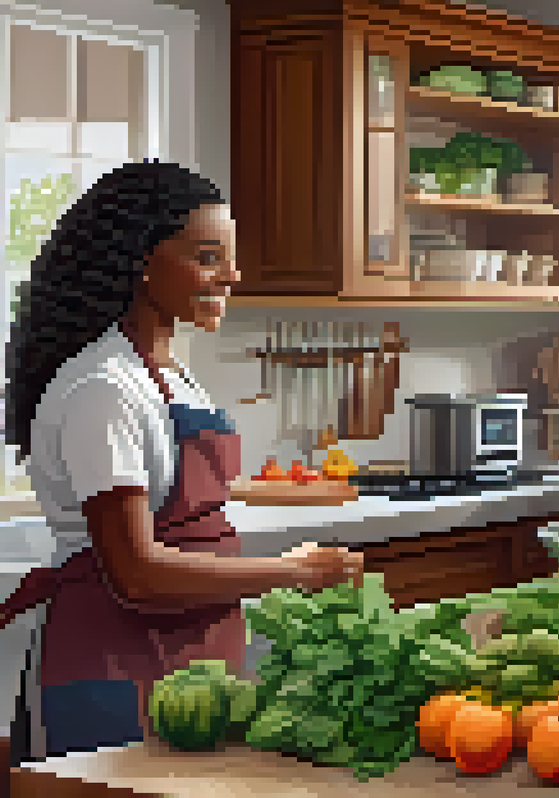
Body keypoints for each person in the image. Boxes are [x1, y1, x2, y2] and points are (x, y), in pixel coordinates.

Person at [0, 161, 363, 761]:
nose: (232, 275)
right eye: (208, 256)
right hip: (114, 666)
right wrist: (291, 571)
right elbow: (136, 573)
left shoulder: (172, 374)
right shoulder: (103, 388)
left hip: (195, 660)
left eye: (230, 257)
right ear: (142, 262)